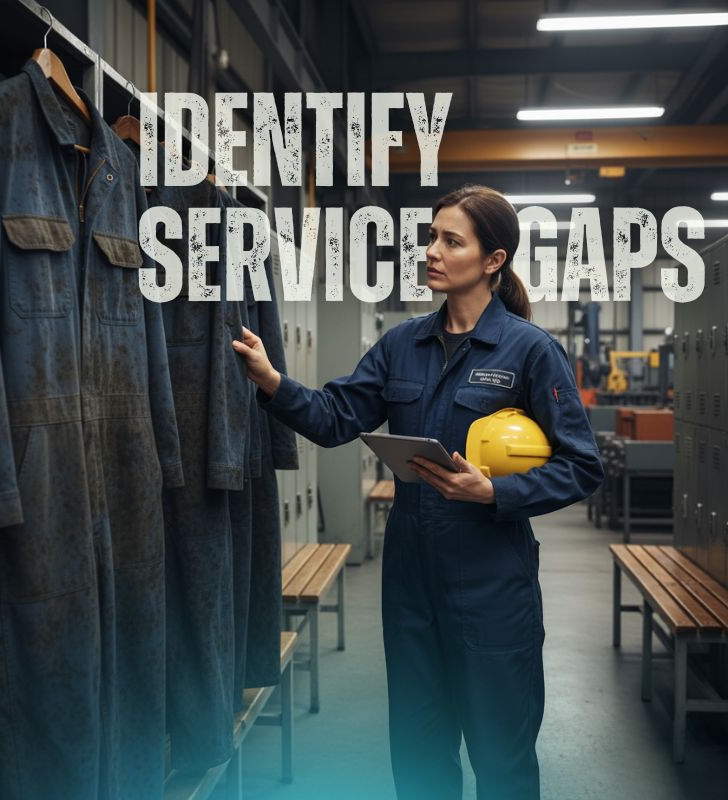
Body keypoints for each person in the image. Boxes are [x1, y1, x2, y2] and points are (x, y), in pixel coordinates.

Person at [232, 184, 604, 799]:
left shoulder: (529, 351)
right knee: (417, 756)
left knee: (502, 761)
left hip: (490, 588)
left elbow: (582, 465)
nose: (431, 250)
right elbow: (333, 419)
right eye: (431, 236)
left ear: (493, 260)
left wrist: (493, 493)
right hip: (410, 588)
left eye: (450, 240)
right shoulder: (402, 345)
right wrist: (274, 383)